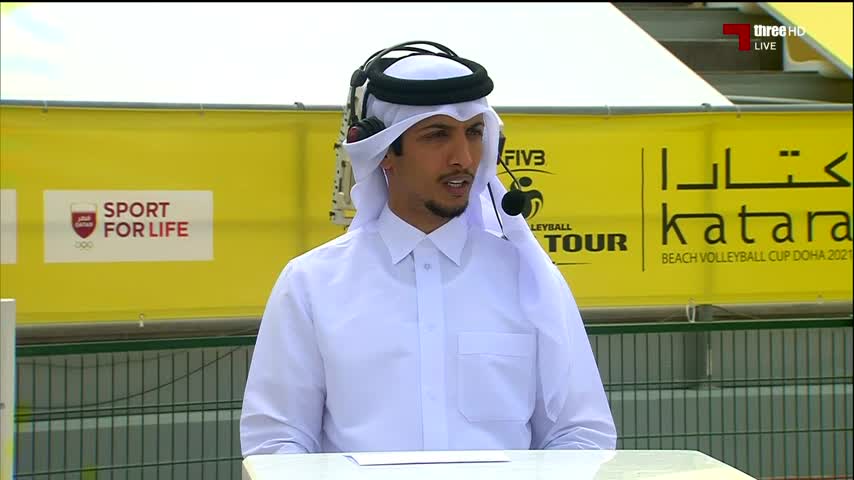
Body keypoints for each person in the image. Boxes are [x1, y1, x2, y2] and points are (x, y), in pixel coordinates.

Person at [240, 41, 616, 455]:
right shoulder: (311, 284)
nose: (463, 158)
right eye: (437, 135)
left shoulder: (529, 280)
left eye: (474, 133)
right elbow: (277, 441)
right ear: (385, 152)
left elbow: (581, 434)